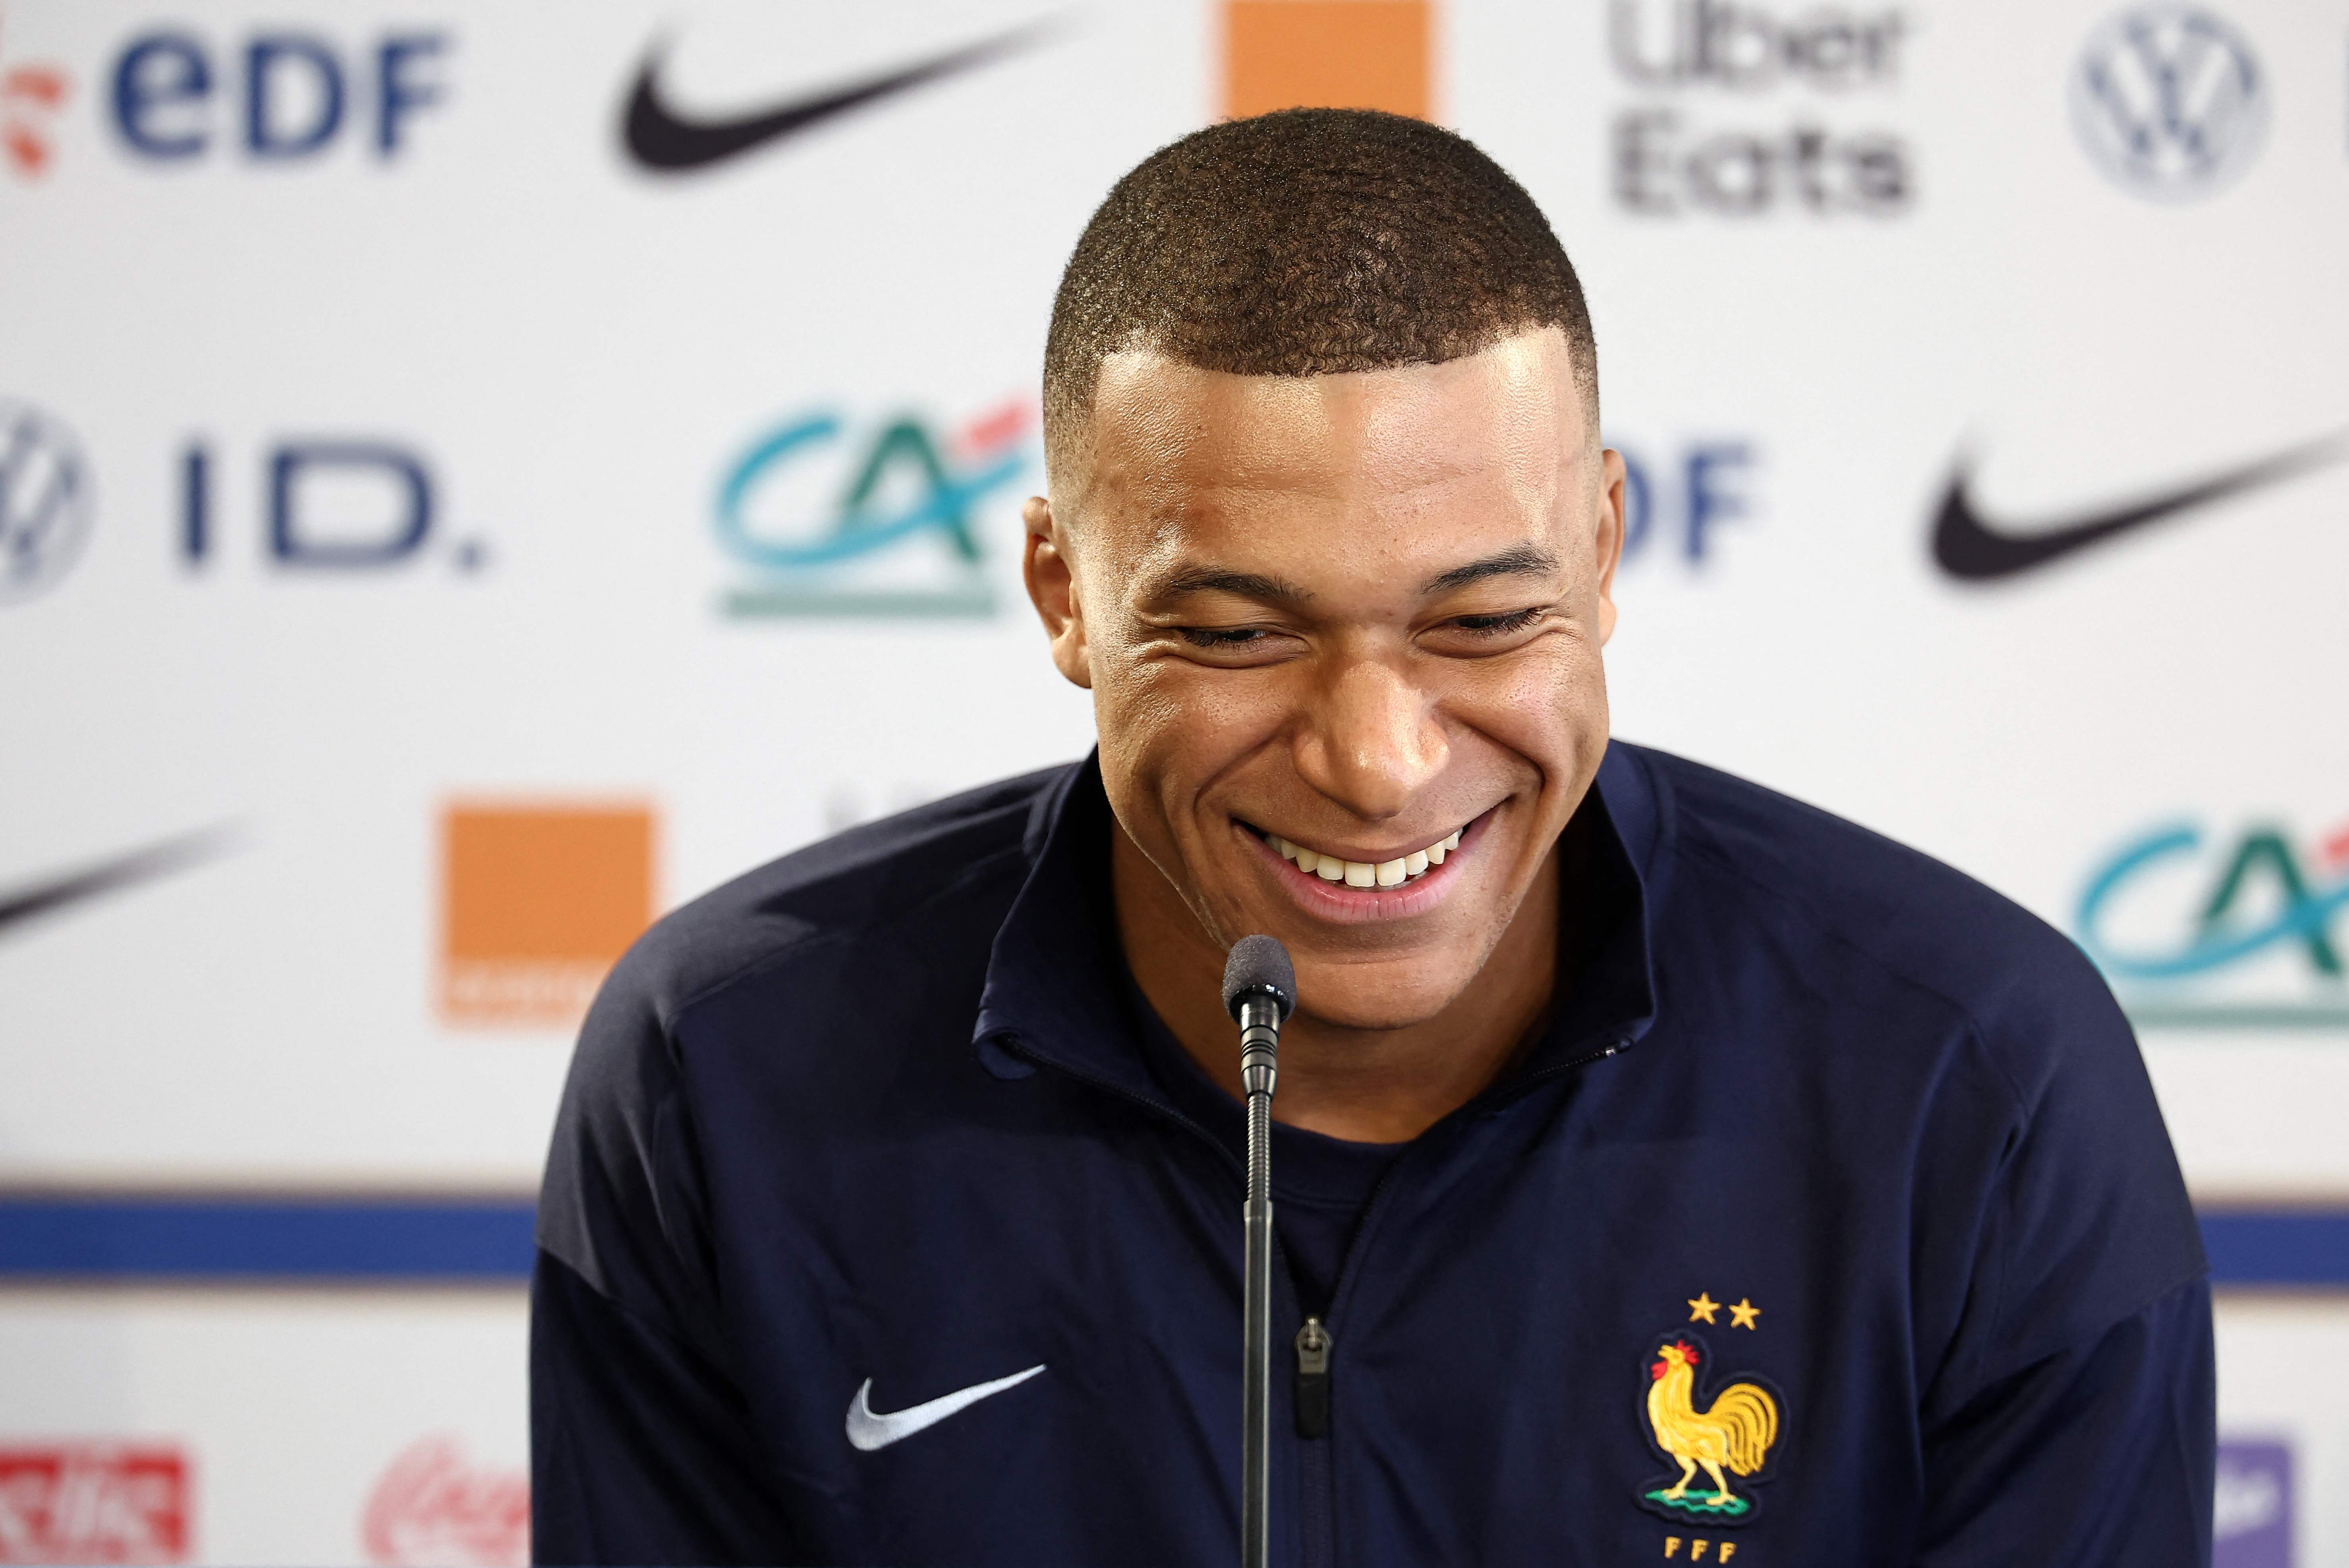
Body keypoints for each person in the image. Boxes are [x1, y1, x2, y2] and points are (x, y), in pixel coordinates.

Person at [531, 109, 2212, 1566]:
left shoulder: (1970, 1080)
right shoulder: (728, 1074)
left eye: (1481, 623)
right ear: (1063, 591)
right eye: (1239, 635)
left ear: (1605, 547)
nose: (1374, 762)